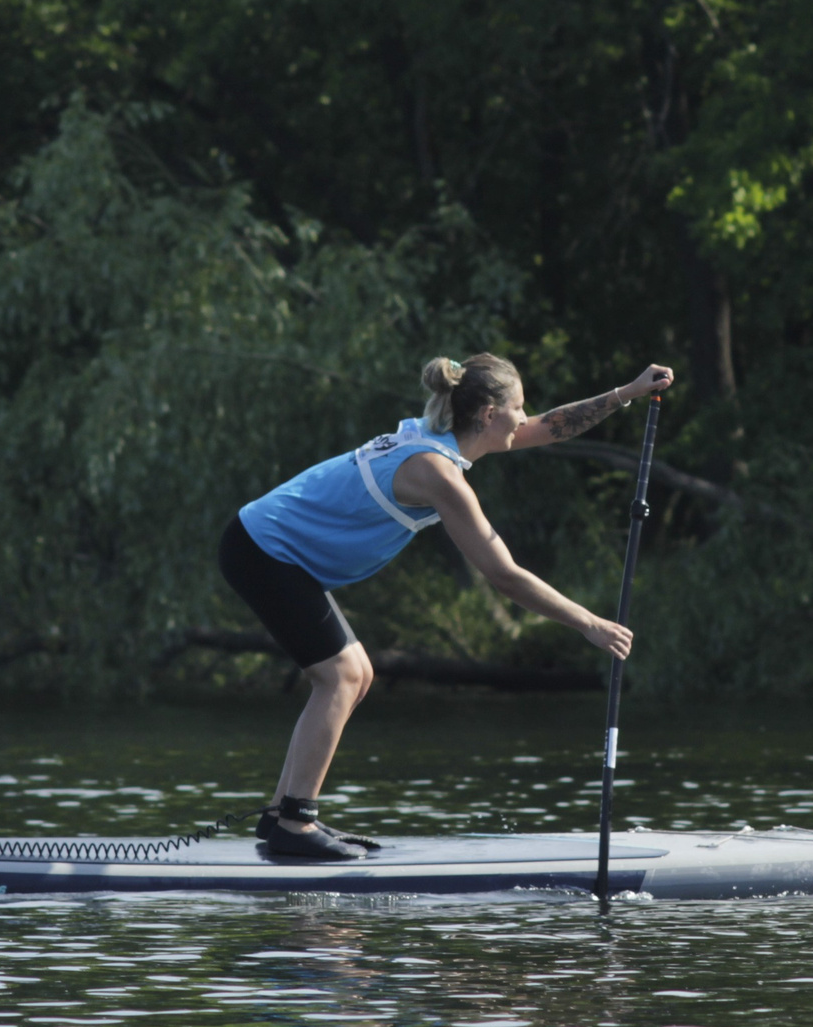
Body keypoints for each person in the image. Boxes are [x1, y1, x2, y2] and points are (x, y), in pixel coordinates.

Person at [220, 353, 675, 859]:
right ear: (488, 414)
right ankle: (294, 823)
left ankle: (282, 814)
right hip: (264, 551)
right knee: (342, 677)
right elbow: (504, 575)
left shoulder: (441, 434)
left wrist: (626, 393)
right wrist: (588, 622)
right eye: (518, 407)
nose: (525, 418)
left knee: (358, 675)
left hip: (273, 549)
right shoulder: (437, 473)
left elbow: (549, 427)